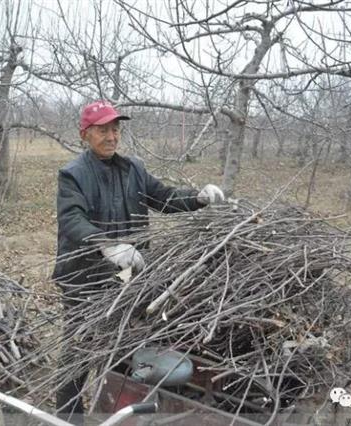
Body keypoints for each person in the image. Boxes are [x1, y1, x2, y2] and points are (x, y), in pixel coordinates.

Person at [52, 100, 225, 422]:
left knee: (122, 343)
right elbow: (72, 220)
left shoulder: (133, 169)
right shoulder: (73, 175)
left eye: (115, 129)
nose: (112, 136)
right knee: (79, 349)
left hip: (129, 277)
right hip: (85, 279)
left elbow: (164, 197)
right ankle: (67, 416)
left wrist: (198, 197)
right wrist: (106, 245)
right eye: (103, 130)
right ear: (85, 134)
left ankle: (114, 408)